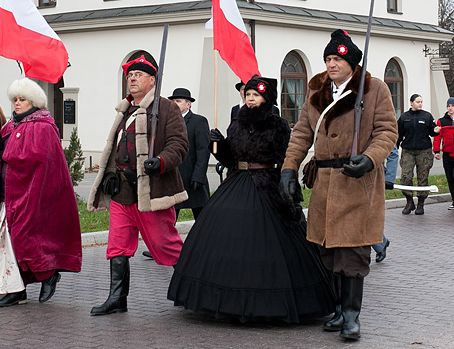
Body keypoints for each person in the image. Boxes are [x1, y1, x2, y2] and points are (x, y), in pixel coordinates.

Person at [167, 76, 334, 322]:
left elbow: (285, 158)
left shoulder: (278, 125)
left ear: (266, 98)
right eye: (248, 95)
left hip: (266, 184)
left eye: (255, 95)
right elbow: (227, 157)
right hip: (236, 181)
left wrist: (285, 185)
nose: (250, 99)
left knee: (270, 239)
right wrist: (217, 145)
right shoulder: (236, 124)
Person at [280, 29, 398, 342]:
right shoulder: (316, 89)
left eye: (338, 59)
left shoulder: (374, 89)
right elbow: (302, 133)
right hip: (323, 183)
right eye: (329, 58)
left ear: (352, 62)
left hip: (357, 181)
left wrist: (371, 158)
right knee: (327, 250)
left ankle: (352, 316)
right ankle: (336, 311)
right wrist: (288, 169)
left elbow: (387, 132)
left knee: (353, 251)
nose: (332, 64)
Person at [87, 56, 189, 315]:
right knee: (117, 244)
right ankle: (117, 298)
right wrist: (110, 172)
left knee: (164, 243)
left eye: (138, 75)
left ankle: (193, 288)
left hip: (152, 191)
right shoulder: (125, 110)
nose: (132, 78)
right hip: (123, 192)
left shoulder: (166, 108)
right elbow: (117, 148)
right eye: (129, 74)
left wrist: (161, 161)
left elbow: (179, 144)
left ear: (152, 80)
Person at [0, 78, 82, 306]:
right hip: (8, 194)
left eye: (22, 99)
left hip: (31, 195)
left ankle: (48, 275)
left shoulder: (43, 126)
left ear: (33, 101)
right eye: (15, 99)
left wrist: (6, 151)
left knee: (26, 239)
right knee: (7, 241)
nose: (17, 103)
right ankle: (16, 289)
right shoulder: (9, 127)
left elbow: (36, 157)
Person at [169, 87, 211, 220]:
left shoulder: (198, 121)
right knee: (170, 218)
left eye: (179, 101)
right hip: (174, 177)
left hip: (193, 177)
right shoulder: (167, 122)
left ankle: (204, 240)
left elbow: (203, 150)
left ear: (188, 104)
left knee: (201, 218)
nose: (175, 104)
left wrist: (198, 176)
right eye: (174, 101)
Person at [396, 94, 440, 215]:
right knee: (405, 176)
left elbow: (432, 131)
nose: (420, 104)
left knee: (423, 177)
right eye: (417, 102)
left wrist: (435, 131)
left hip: (423, 151)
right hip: (408, 150)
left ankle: (421, 204)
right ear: (411, 103)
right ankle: (409, 202)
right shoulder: (404, 117)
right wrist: (395, 146)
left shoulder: (427, 116)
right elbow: (399, 133)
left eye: (421, 101)